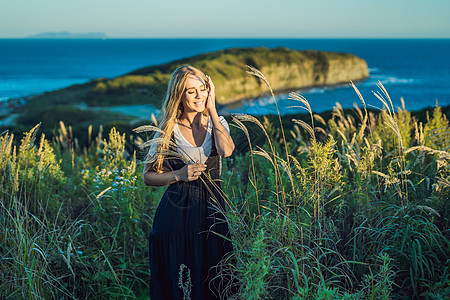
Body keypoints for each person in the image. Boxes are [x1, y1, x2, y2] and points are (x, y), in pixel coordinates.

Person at [143, 65, 235, 299]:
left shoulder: (217, 122)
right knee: (181, 283)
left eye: (203, 89)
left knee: (215, 280)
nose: (199, 96)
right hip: (175, 218)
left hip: (213, 214)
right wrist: (178, 175)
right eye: (190, 91)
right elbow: (148, 176)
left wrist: (212, 109)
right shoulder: (167, 129)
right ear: (179, 96)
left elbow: (226, 151)